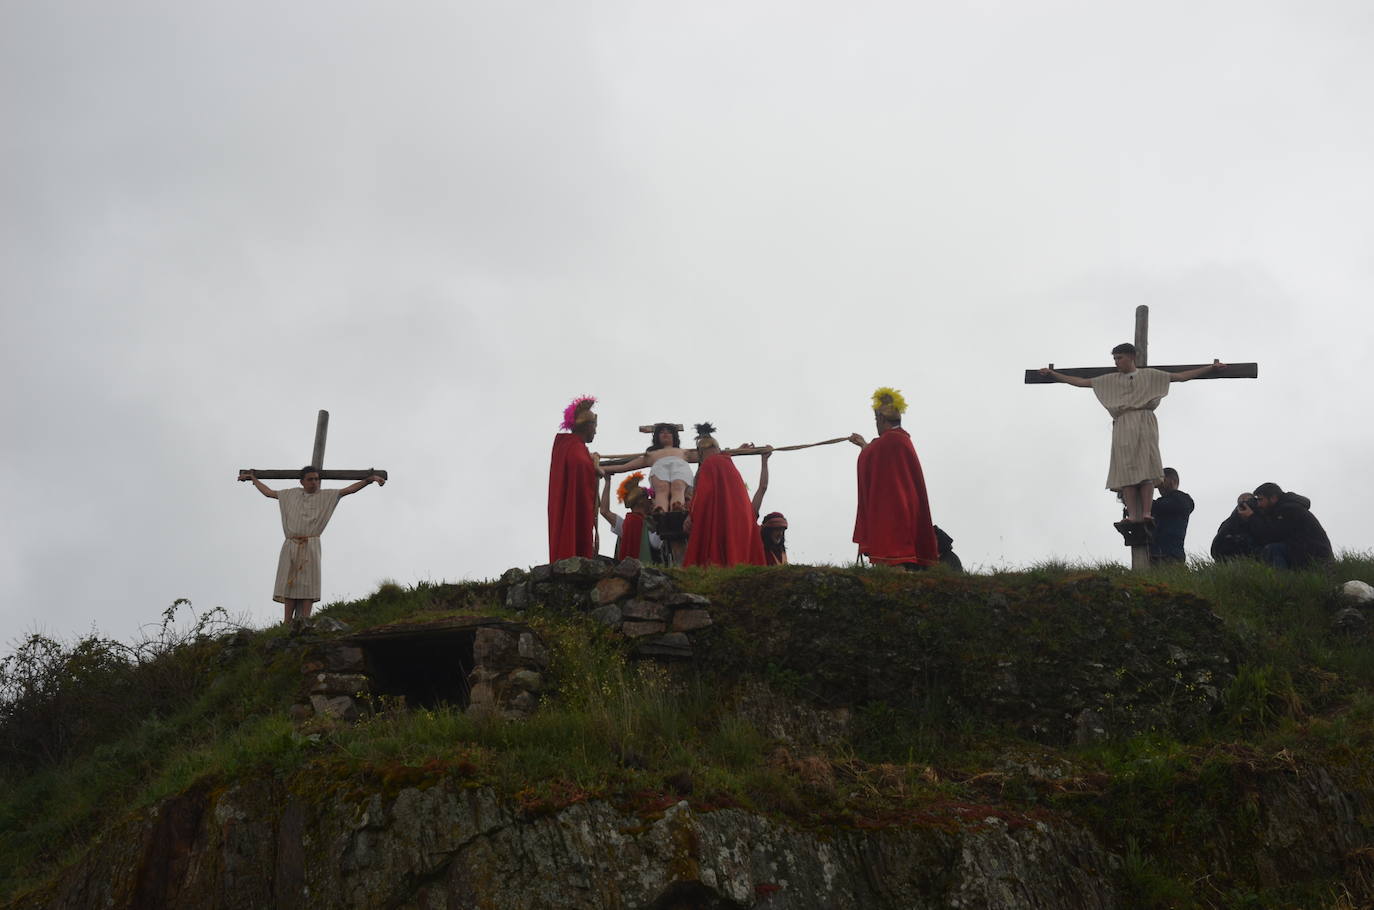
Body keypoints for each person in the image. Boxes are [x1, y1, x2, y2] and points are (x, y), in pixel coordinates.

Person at [1039, 345, 1225, 535]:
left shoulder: (1151, 375)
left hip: (1145, 420)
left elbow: (1181, 376)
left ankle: (1146, 512)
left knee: (1146, 465)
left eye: (1119, 358)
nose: (1116, 362)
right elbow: (1081, 382)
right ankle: (1134, 514)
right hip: (1123, 422)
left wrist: (1210, 368)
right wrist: (1054, 375)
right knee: (1126, 469)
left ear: (1132, 357)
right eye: (1115, 359)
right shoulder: (1110, 380)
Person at [238, 465, 385, 624]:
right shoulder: (290, 494)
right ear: (302, 481)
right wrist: (254, 479)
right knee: (289, 581)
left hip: (311, 543)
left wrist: (368, 480)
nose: (314, 482)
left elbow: (349, 489)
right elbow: (268, 493)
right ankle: (287, 622)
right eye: (310, 479)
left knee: (309, 583)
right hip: (291, 543)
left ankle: (304, 621)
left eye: (316, 479)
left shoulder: (326, 495)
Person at [849, 387, 939, 569]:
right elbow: (877, 454)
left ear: (881, 419)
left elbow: (872, 454)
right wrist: (865, 445)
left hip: (893, 511)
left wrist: (864, 447)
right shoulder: (902, 441)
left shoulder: (890, 441)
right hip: (907, 505)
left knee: (893, 555)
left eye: (876, 419)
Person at [682, 424, 767, 567]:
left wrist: (691, 515)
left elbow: (702, 497)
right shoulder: (727, 463)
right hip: (739, 516)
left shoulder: (708, 466)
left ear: (700, 453)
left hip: (717, 516)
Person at [548, 395, 603, 562]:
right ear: (587, 426)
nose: (595, 431)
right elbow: (581, 467)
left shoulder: (570, 446)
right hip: (577, 506)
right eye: (594, 426)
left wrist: (591, 462)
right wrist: (594, 469)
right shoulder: (576, 449)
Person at [602, 423, 698, 512]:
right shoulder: (651, 455)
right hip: (659, 469)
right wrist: (600, 468)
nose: (665, 434)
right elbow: (624, 467)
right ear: (657, 437)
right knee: (661, 488)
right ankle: (660, 509)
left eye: (669, 432)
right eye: (662, 432)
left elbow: (706, 456)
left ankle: (677, 506)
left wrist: (707, 442)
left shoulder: (684, 452)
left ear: (674, 436)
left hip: (680, 467)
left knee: (678, 486)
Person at [1241, 482, 1333, 569]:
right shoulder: (1279, 510)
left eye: (1261, 500)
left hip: (1317, 556)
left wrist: (1252, 517)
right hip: (1305, 551)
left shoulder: (1289, 509)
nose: (1259, 504)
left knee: (1273, 549)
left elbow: (1270, 535)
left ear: (1273, 498)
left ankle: (1282, 581)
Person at [599, 472, 662, 562]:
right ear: (641, 502)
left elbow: (604, 511)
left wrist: (607, 481)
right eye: (647, 497)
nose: (650, 500)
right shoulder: (630, 522)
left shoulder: (625, 524)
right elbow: (656, 543)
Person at [1150, 467, 1195, 564]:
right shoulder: (1164, 503)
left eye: (1162, 481)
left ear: (1172, 481)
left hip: (1170, 555)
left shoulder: (1182, 500)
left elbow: (1158, 506)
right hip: (1159, 554)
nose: (1159, 486)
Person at [1211, 492, 1260, 562]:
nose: (1245, 505)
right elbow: (1216, 548)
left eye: (1249, 501)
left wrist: (1252, 517)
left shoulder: (1262, 517)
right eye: (1241, 502)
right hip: (1233, 559)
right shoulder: (1230, 523)